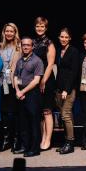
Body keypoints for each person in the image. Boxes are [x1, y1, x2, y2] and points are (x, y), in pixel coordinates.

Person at [14, 37, 44, 157]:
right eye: (23, 45)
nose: (25, 47)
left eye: (28, 45)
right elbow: (16, 76)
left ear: (32, 47)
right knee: (23, 122)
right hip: (20, 94)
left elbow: (36, 81)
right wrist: (17, 91)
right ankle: (25, 146)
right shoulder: (20, 61)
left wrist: (23, 92)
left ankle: (35, 149)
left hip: (32, 94)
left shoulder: (37, 61)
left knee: (34, 123)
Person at [33, 17, 56, 151]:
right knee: (40, 111)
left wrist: (43, 81)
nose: (40, 28)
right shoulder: (34, 42)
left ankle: (48, 140)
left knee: (47, 110)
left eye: (42, 26)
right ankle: (42, 137)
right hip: (35, 80)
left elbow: (50, 64)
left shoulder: (49, 43)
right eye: (37, 26)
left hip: (46, 81)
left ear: (46, 28)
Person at [54, 28, 79, 154]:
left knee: (66, 115)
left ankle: (70, 143)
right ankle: (66, 142)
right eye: (61, 37)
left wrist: (66, 90)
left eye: (66, 37)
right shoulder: (59, 51)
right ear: (59, 37)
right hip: (58, 89)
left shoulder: (73, 51)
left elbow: (74, 72)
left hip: (68, 90)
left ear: (70, 38)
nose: (63, 39)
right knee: (64, 117)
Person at [0, 23, 22, 151]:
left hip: (14, 84)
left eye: (11, 31)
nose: (9, 33)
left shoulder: (19, 48)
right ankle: (6, 139)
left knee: (14, 113)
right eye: (7, 31)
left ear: (15, 32)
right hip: (2, 84)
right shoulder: (1, 47)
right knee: (5, 113)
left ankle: (15, 140)